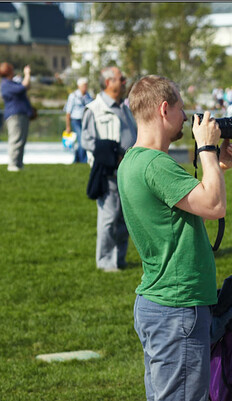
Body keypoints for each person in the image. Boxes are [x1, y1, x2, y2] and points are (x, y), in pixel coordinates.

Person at [118, 74, 232, 401]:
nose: (190, 118)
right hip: (178, 307)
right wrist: (208, 153)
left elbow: (191, 205)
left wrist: (215, 163)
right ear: (166, 109)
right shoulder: (156, 165)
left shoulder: (135, 161)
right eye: (184, 110)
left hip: (157, 301)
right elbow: (212, 205)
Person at [81, 66, 137, 272]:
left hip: (128, 173)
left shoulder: (124, 108)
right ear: (108, 83)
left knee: (124, 219)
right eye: (120, 79)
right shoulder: (94, 109)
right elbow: (86, 140)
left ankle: (119, 259)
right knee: (108, 218)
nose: (124, 82)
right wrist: (113, 155)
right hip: (108, 174)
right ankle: (105, 261)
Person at [0, 62, 33, 172]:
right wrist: (27, 74)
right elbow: (23, 87)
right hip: (14, 115)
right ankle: (12, 164)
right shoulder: (6, 84)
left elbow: (27, 86)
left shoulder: (12, 82)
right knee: (15, 139)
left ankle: (19, 164)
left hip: (22, 113)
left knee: (21, 140)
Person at [64, 77, 93, 163]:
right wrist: (68, 126)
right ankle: (82, 160)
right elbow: (68, 112)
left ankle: (77, 159)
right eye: (83, 85)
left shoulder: (88, 96)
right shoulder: (73, 96)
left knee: (84, 139)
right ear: (79, 86)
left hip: (85, 120)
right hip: (76, 120)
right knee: (81, 140)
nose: (85, 87)